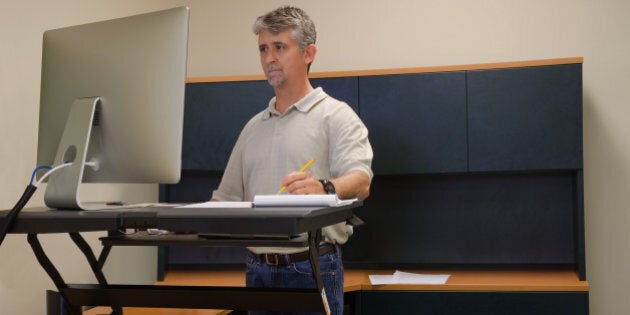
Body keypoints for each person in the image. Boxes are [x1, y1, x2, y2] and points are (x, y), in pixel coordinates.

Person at [211, 6, 373, 315]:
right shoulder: (253, 127)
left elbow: (361, 182)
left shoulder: (336, 116)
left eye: (279, 47)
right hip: (257, 270)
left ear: (308, 53)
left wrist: (323, 187)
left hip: (310, 267)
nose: (269, 58)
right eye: (263, 49)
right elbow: (225, 199)